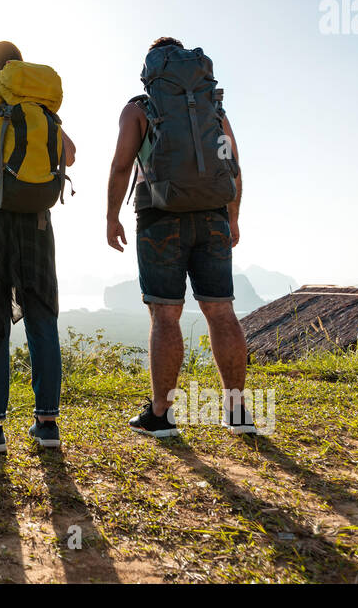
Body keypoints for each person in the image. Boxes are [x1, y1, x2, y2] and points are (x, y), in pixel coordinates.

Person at [105, 37, 258, 437]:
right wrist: (233, 218)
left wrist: (111, 217)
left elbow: (122, 166)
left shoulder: (139, 109)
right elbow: (233, 164)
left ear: (151, 71)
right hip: (212, 217)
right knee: (221, 311)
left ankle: (161, 414)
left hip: (160, 217)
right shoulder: (214, 108)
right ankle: (238, 412)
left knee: (165, 314)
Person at [0, 41, 75, 454]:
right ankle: (47, 423)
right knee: (42, 314)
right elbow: (69, 155)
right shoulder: (41, 106)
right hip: (38, 223)